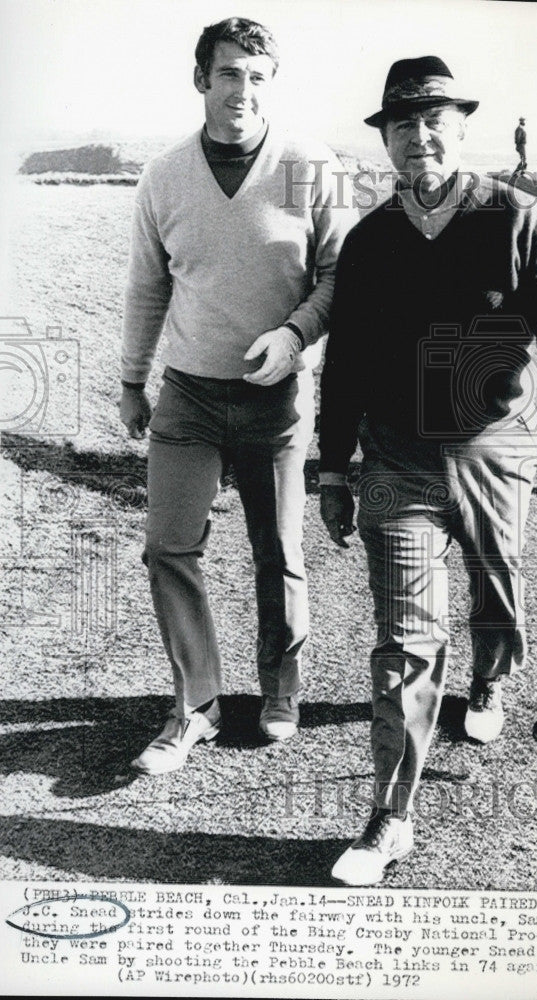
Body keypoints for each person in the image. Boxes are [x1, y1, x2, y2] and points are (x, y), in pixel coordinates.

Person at [318, 56, 537, 885]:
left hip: (495, 447)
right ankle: (390, 816)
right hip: (397, 456)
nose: (419, 137)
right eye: (403, 124)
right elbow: (343, 359)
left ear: (461, 129)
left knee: (498, 597)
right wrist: (334, 467)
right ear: (384, 139)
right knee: (405, 639)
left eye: (435, 121)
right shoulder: (372, 238)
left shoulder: (515, 218)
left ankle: (489, 684)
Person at [119, 16, 356, 773]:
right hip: (187, 394)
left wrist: (292, 337)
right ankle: (197, 705)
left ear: (271, 84)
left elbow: (339, 276)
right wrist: (131, 379)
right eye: (228, 75)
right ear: (201, 81)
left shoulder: (311, 164)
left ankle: (280, 690)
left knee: (278, 551)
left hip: (276, 401)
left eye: (257, 77)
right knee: (167, 548)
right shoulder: (163, 176)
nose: (242, 91)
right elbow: (148, 285)